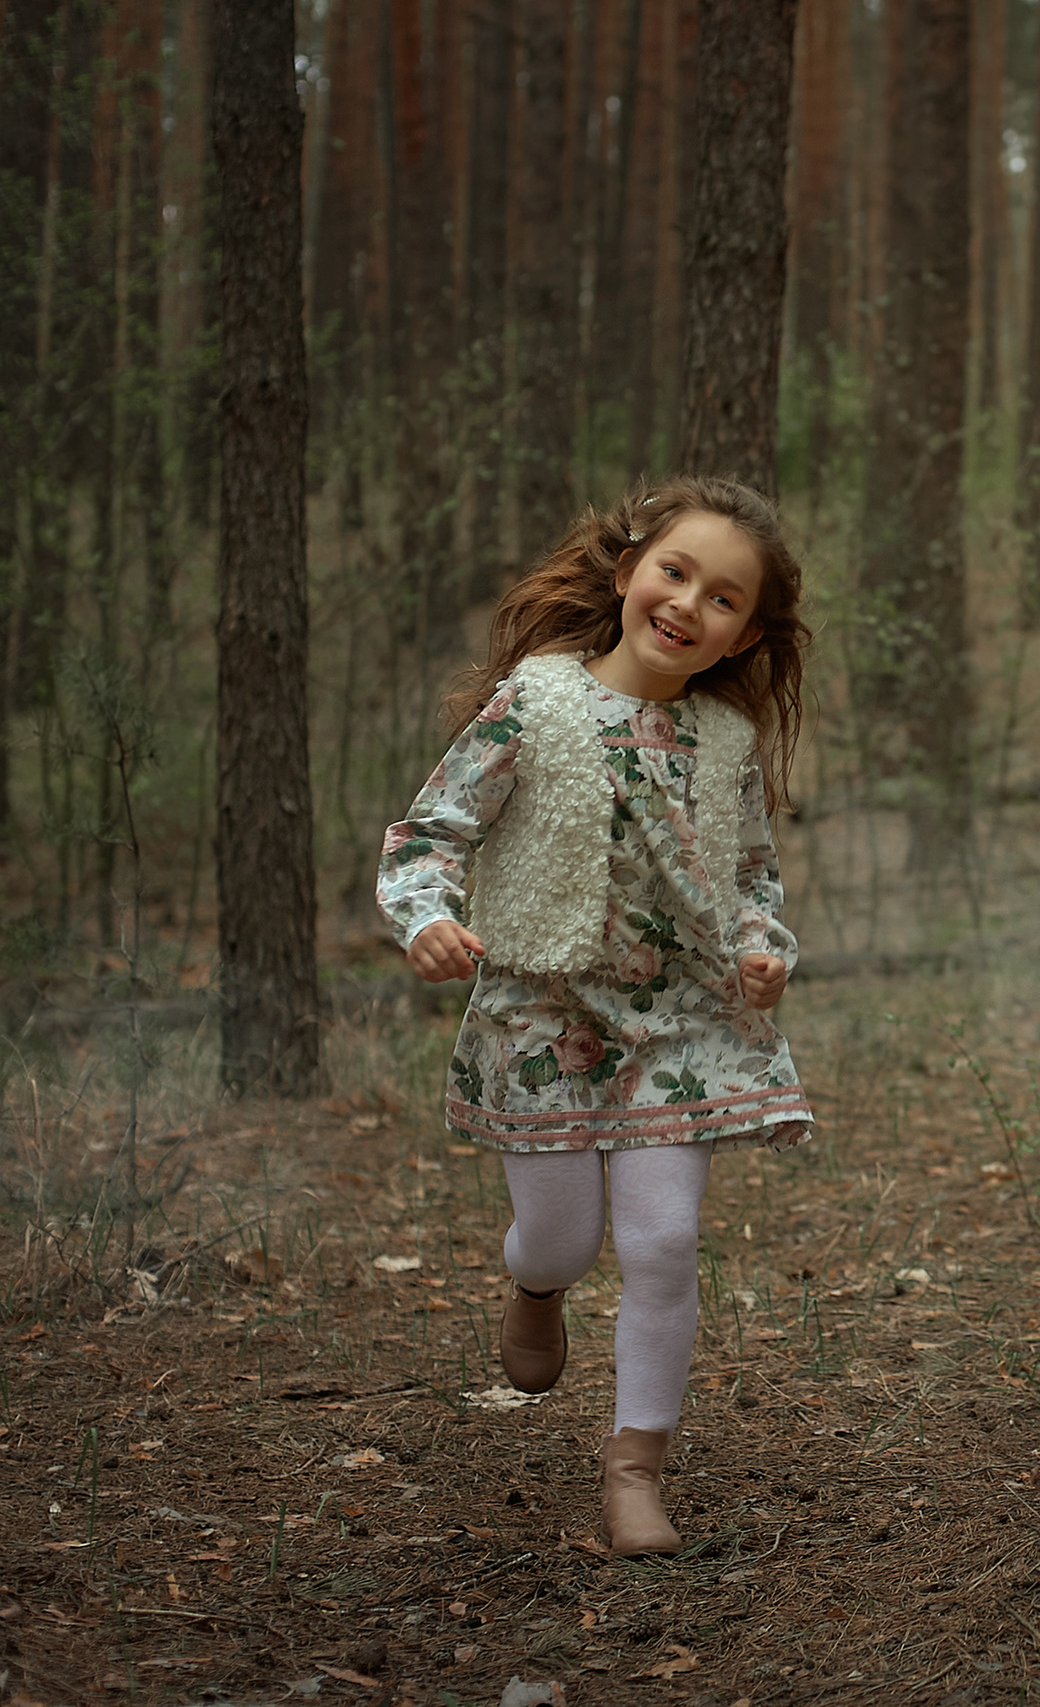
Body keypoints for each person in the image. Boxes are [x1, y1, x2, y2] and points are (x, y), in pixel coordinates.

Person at [377, 474, 811, 1556]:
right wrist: (424, 920)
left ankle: (635, 1472)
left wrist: (764, 950)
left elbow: (753, 882)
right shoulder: (536, 699)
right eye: (675, 572)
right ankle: (536, 1280)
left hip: (677, 1025)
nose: (687, 604)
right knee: (570, 1238)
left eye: (722, 598)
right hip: (539, 1012)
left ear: (742, 634)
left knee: (663, 1245)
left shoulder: (722, 741)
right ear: (628, 575)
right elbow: (430, 836)